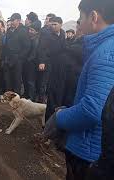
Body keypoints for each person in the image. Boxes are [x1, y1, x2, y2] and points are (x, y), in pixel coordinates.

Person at [53, 0, 114, 179]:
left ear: (94, 17)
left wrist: (59, 117)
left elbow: (91, 110)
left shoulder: (106, 54)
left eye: (81, 17)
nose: (79, 23)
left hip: (89, 152)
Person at [43, 16, 67, 121]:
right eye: (51, 24)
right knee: (51, 94)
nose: (53, 26)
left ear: (61, 24)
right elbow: (43, 50)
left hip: (61, 69)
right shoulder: (48, 36)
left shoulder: (63, 35)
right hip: (51, 67)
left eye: (55, 24)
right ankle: (48, 123)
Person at [2, 13, 31, 95]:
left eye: (13, 20)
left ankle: (16, 98)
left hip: (18, 61)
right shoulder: (9, 31)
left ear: (18, 20)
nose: (11, 22)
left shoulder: (23, 31)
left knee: (16, 80)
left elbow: (27, 47)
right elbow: (6, 45)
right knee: (7, 79)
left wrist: (19, 58)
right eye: (10, 20)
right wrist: (4, 58)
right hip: (8, 59)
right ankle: (8, 97)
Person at [36, 13, 57, 103]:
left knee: (49, 83)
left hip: (54, 62)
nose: (46, 20)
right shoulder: (44, 31)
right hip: (45, 61)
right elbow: (41, 47)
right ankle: (41, 101)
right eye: (46, 19)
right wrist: (42, 61)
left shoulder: (59, 32)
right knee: (42, 82)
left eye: (48, 19)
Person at [23, 20, 42, 101]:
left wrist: (27, 60)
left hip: (32, 64)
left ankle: (31, 98)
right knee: (27, 81)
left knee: (31, 82)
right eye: (29, 29)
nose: (30, 31)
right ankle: (27, 95)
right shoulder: (31, 38)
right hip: (28, 63)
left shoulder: (36, 41)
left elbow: (33, 54)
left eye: (32, 30)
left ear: (37, 31)